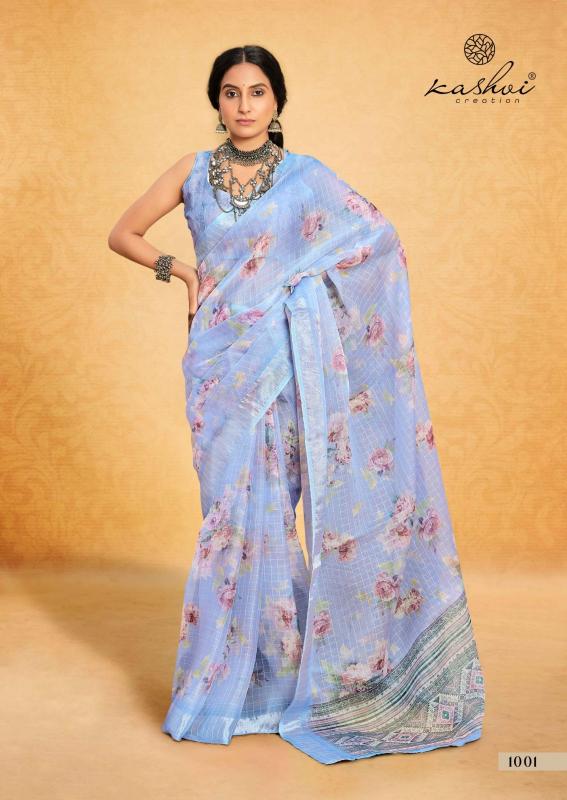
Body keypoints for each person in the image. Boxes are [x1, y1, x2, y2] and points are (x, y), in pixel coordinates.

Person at [108, 44, 486, 765]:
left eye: (257, 92)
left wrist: (299, 291)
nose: (244, 105)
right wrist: (181, 273)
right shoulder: (190, 171)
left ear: (277, 101)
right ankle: (229, 681)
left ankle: (280, 681)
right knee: (227, 512)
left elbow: (375, 240)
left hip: (280, 362)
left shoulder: (306, 179)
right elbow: (122, 233)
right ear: (216, 101)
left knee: (274, 510)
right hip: (218, 364)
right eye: (231, 92)